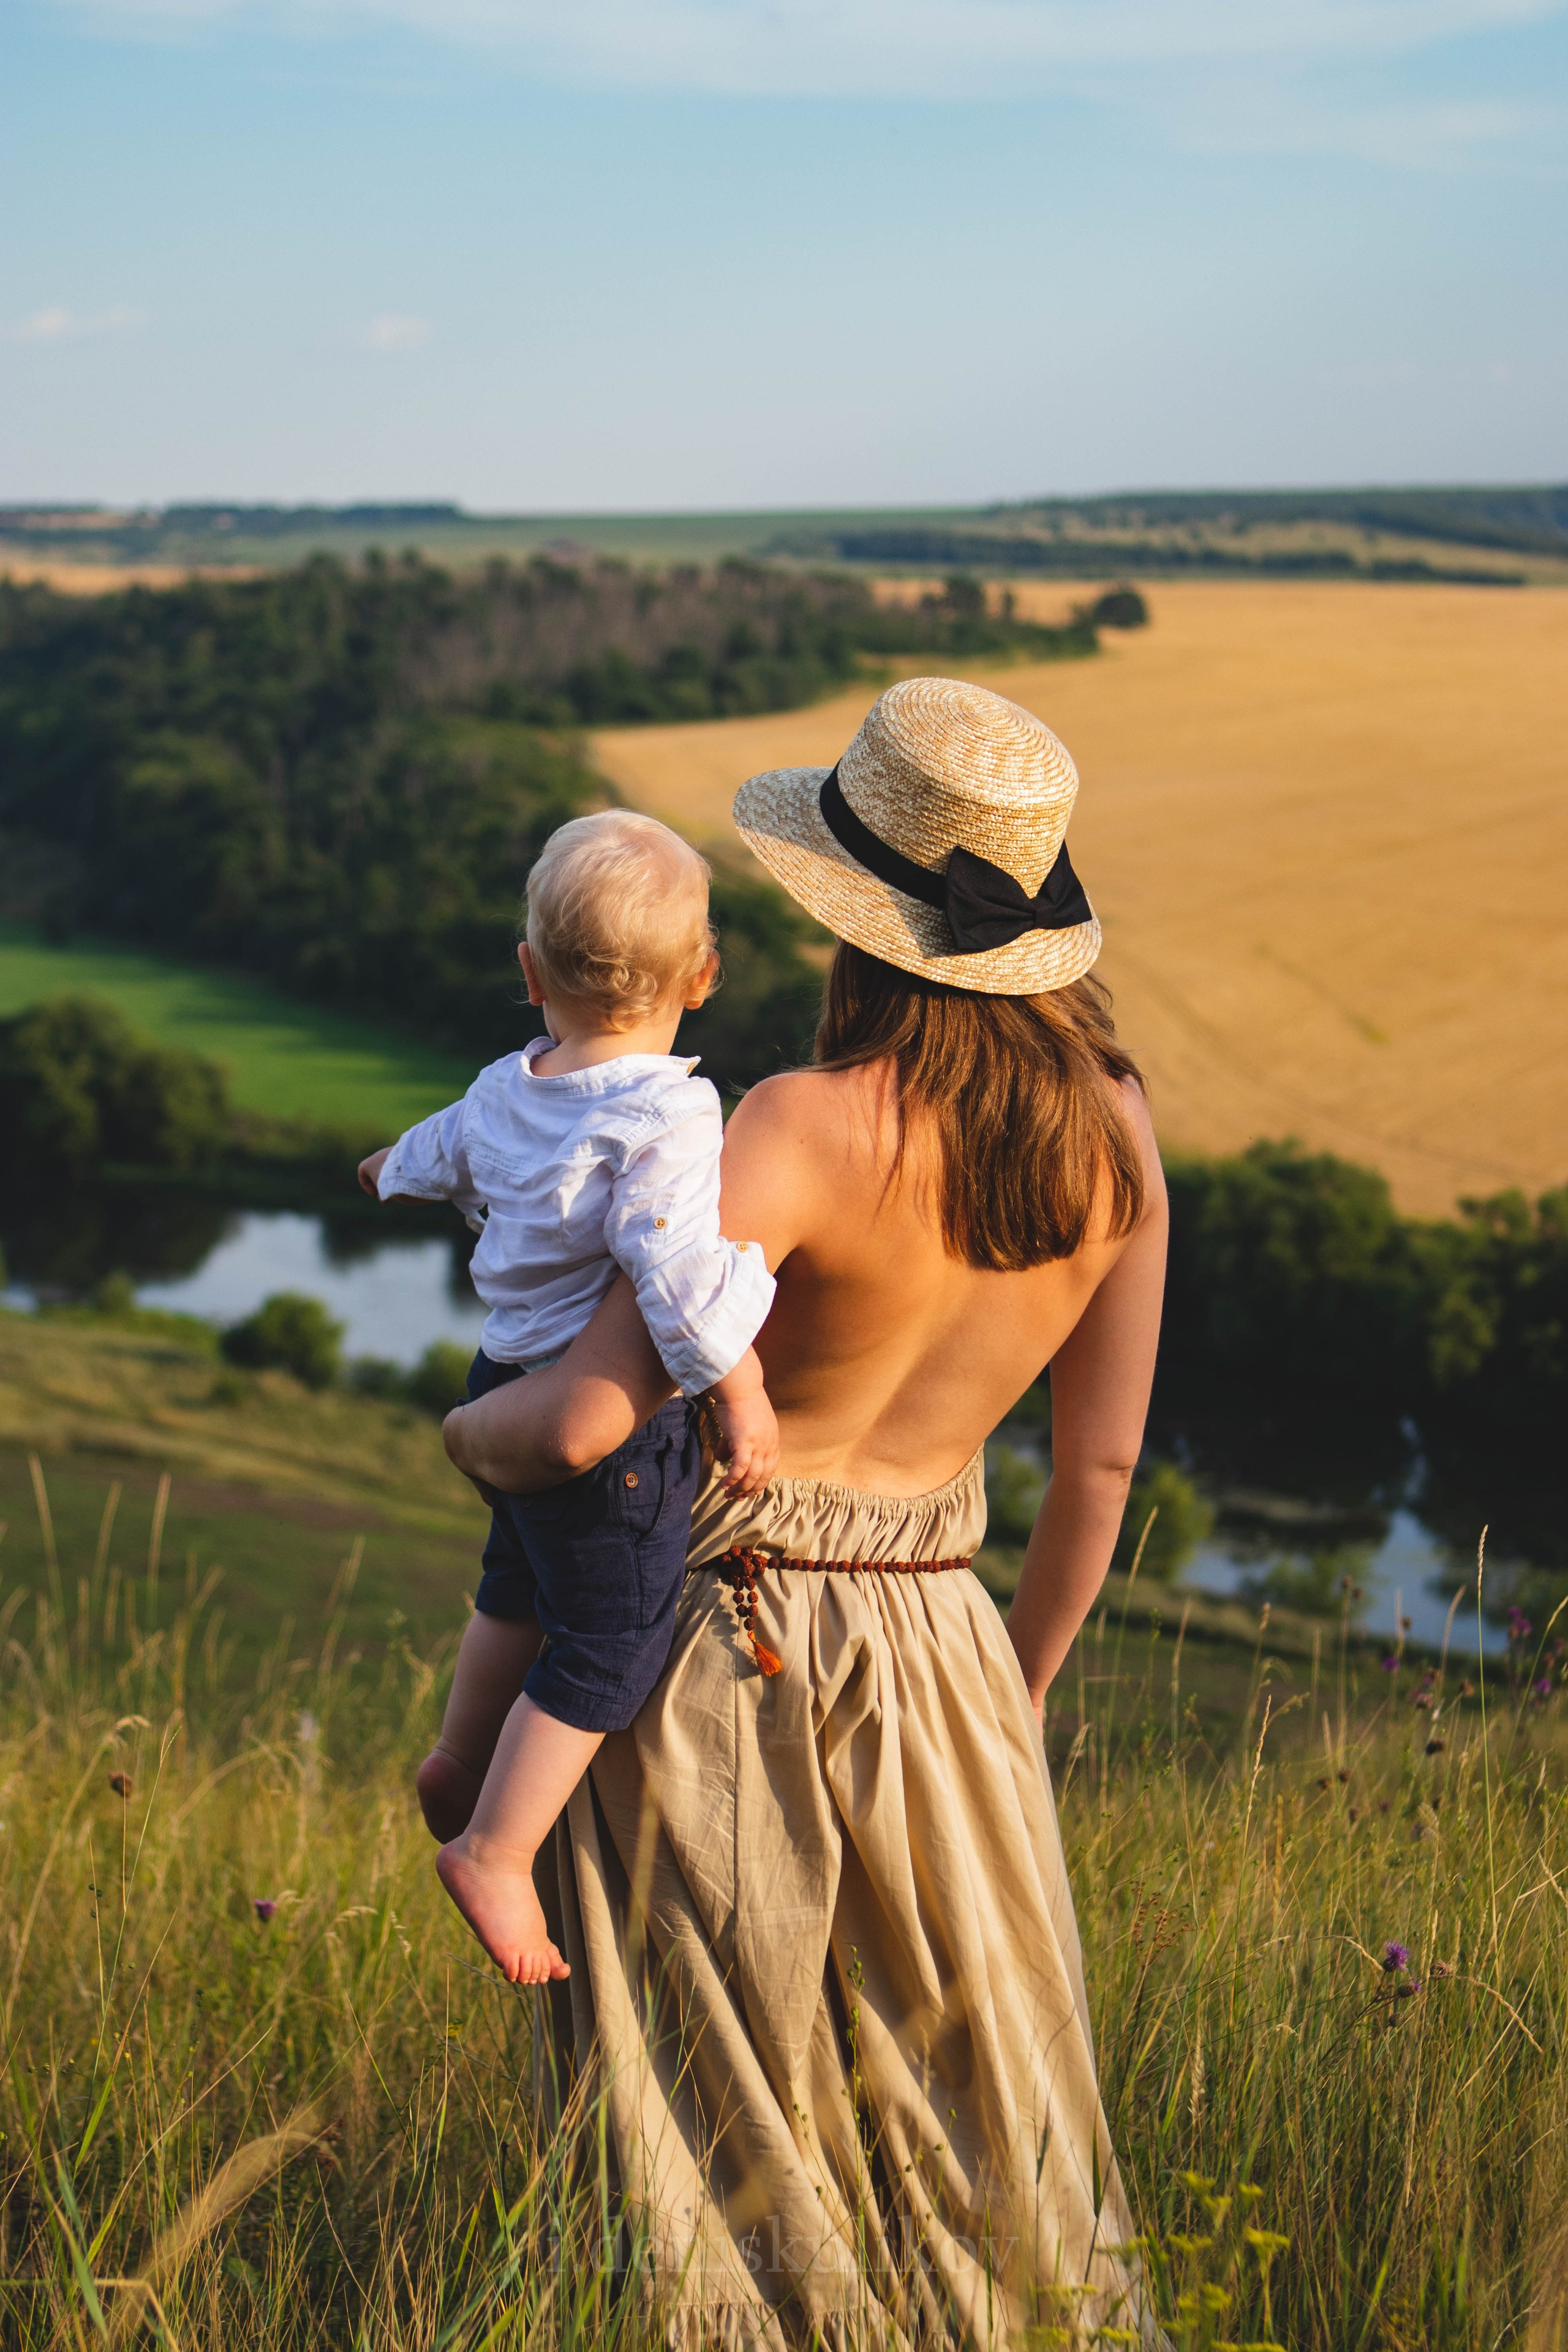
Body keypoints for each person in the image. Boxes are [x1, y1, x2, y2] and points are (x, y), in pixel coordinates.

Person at [444, 679, 1167, 2348]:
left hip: (727, 1645)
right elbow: (1102, 1472)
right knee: (979, 2149)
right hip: (952, 1653)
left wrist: (464, 1437)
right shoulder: (1119, 1133)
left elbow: (588, 1422)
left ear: (851, 918)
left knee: (711, 2142)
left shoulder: (792, 1124)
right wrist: (1019, 1694)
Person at [358, 809, 779, 1985]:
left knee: (516, 1588)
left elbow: (438, 1149)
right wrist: (740, 1393)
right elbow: (675, 1271)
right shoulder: (670, 1113)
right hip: (610, 1432)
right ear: (700, 980)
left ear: (530, 971)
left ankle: (459, 1752)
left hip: (505, 1374)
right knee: (607, 1639)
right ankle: (496, 1849)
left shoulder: (507, 1086)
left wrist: (388, 1169)